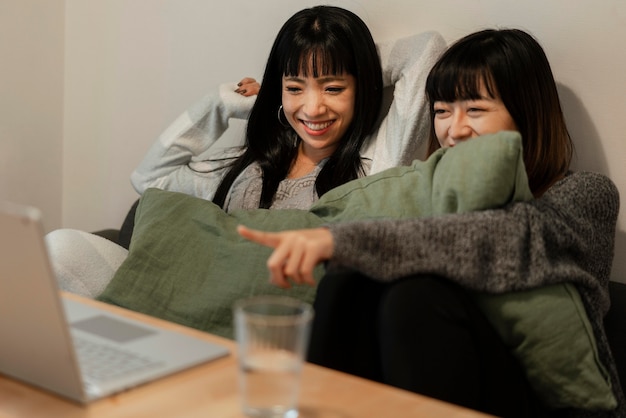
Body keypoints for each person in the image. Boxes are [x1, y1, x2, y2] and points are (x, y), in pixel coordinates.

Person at [238, 29, 624, 417]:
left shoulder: (588, 194)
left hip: (548, 397)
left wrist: (339, 241)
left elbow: (507, 239)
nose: (453, 130)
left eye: (475, 110)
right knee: (348, 282)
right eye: (442, 111)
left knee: (417, 297)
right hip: (451, 375)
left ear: (527, 113)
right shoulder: (434, 190)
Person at [45, 6, 446, 298]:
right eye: (294, 87)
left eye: (333, 87)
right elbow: (149, 181)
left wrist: (343, 52)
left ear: (363, 89)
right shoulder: (254, 164)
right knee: (60, 247)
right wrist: (225, 104)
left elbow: (426, 50)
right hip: (194, 291)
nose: (312, 107)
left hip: (267, 319)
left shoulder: (379, 163)